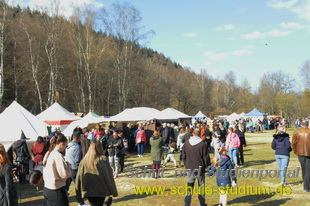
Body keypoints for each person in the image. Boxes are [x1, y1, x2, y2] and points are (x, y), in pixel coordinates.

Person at [76, 140, 118, 206]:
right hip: (100, 190)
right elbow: (108, 177)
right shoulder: (102, 160)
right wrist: (113, 191)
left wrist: (78, 195)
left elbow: (78, 178)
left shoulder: (84, 161)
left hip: (89, 190)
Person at [182, 128, 211, 206]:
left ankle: (187, 203)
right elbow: (206, 157)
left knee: (190, 185)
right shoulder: (202, 144)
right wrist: (207, 166)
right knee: (201, 185)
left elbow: (183, 156)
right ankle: (202, 203)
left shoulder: (186, 144)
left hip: (190, 167)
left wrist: (186, 164)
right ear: (199, 134)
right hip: (199, 167)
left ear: (193, 134)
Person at [43, 134, 72, 206]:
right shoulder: (58, 155)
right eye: (66, 146)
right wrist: (69, 167)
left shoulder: (48, 153)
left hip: (47, 188)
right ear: (62, 144)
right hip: (56, 190)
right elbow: (64, 175)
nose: (65, 148)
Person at [65, 131, 88, 206]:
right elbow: (78, 159)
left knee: (66, 186)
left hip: (68, 167)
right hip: (75, 168)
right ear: (78, 138)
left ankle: (64, 199)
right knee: (78, 186)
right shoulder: (77, 147)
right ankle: (80, 202)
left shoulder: (68, 145)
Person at [292, 121, 310, 192]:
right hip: (308, 153)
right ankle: (306, 187)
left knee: (304, 169)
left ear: (301, 125)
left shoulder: (296, 132)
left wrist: (295, 150)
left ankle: (305, 183)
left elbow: (293, 143)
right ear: (307, 125)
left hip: (300, 152)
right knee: (308, 170)